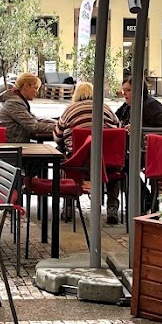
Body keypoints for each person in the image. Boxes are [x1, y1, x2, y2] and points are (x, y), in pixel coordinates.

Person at [55, 81, 120, 220]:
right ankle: (112, 207)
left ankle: (68, 206)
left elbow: (57, 136)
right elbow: (119, 129)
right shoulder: (106, 108)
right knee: (113, 169)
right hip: (106, 162)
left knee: (62, 157)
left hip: (79, 162)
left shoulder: (70, 110)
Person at [0, 71, 56, 143]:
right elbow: (34, 127)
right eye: (35, 88)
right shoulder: (14, 103)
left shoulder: (15, 99)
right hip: (10, 146)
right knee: (46, 149)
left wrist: (54, 122)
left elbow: (33, 118)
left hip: (11, 142)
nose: (37, 92)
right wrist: (59, 127)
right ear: (26, 86)